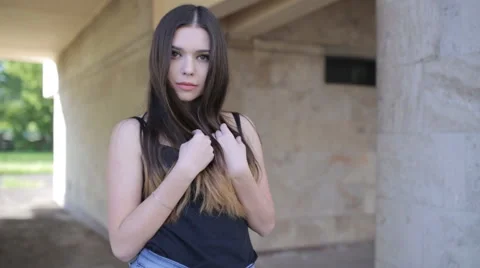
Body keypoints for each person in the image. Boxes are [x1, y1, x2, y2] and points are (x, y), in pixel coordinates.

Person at [105, 4, 275, 268]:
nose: (188, 69)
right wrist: (183, 171)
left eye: (203, 57)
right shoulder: (132, 134)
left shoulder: (240, 129)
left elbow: (265, 225)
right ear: (159, 57)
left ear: (216, 63)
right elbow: (122, 247)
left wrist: (240, 173)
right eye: (175, 54)